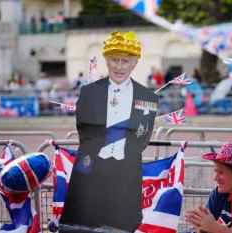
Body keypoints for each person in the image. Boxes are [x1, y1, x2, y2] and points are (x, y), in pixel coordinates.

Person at [60, 31, 159, 232]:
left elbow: (143, 138)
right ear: (106, 60)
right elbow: (85, 132)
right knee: (84, 226)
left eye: (125, 61)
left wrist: (121, 156)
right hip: (91, 170)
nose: (119, 66)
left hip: (126, 173)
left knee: (122, 226)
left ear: (134, 63)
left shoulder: (148, 97)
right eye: (115, 60)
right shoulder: (89, 92)